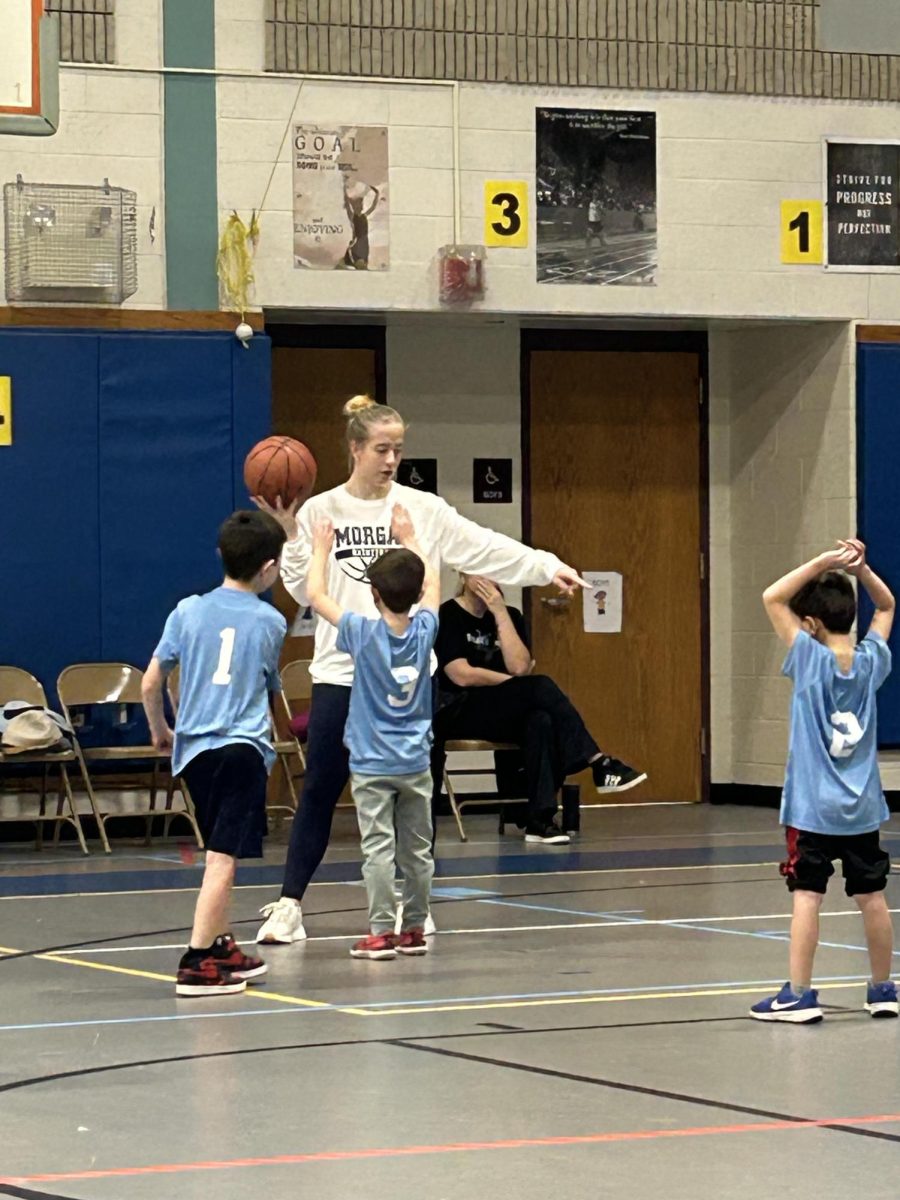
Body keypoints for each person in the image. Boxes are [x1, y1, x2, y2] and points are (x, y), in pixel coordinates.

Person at [254, 394, 587, 945]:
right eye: (381, 449)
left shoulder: (422, 510)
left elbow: (483, 547)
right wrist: (292, 536)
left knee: (415, 791)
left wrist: (545, 565)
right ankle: (290, 904)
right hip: (342, 673)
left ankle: (415, 904)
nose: (391, 460)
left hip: (408, 681)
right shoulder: (321, 511)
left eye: (398, 449)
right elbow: (300, 590)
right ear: (355, 448)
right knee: (321, 787)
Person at [750, 538, 898, 1024]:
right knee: (872, 897)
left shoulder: (808, 661)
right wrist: (862, 569)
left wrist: (822, 562)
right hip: (862, 810)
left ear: (809, 624)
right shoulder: (873, 661)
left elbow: (773, 596)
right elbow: (887, 604)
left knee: (807, 897)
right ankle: (882, 988)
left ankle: (798, 994)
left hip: (812, 810)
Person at [142, 511, 287, 996]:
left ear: (220, 556)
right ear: (268, 568)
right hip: (241, 748)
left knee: (220, 850)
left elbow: (151, 682)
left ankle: (222, 944)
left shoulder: (186, 610)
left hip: (195, 752)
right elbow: (266, 690)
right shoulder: (270, 620)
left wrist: (163, 729)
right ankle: (197, 959)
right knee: (222, 859)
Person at [307, 504, 439, 959]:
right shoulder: (426, 630)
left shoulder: (362, 633)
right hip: (415, 762)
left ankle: (382, 931)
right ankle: (415, 929)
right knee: (417, 851)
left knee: (379, 850)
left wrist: (322, 549)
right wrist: (410, 538)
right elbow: (433, 584)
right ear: (416, 592)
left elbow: (316, 596)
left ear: (375, 595)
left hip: (370, 764)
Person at [434, 574, 647, 844]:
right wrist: (515, 685)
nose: (487, 578)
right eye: (479, 571)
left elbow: (520, 667)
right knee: (540, 686)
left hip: (501, 706)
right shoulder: (448, 614)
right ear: (463, 575)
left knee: (541, 719)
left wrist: (499, 611)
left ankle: (539, 820)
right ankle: (598, 761)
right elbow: (460, 674)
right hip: (461, 707)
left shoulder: (510, 615)